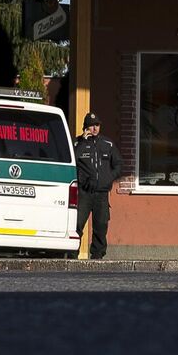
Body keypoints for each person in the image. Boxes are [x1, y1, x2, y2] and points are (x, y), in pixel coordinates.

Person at [74, 111, 120, 260]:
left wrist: (108, 179)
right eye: (91, 125)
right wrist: (83, 142)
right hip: (84, 193)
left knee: (101, 226)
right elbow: (72, 161)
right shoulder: (77, 143)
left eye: (97, 125)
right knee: (77, 225)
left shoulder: (108, 144)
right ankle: (72, 253)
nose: (94, 128)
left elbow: (118, 165)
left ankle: (98, 255)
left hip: (101, 194)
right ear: (85, 127)